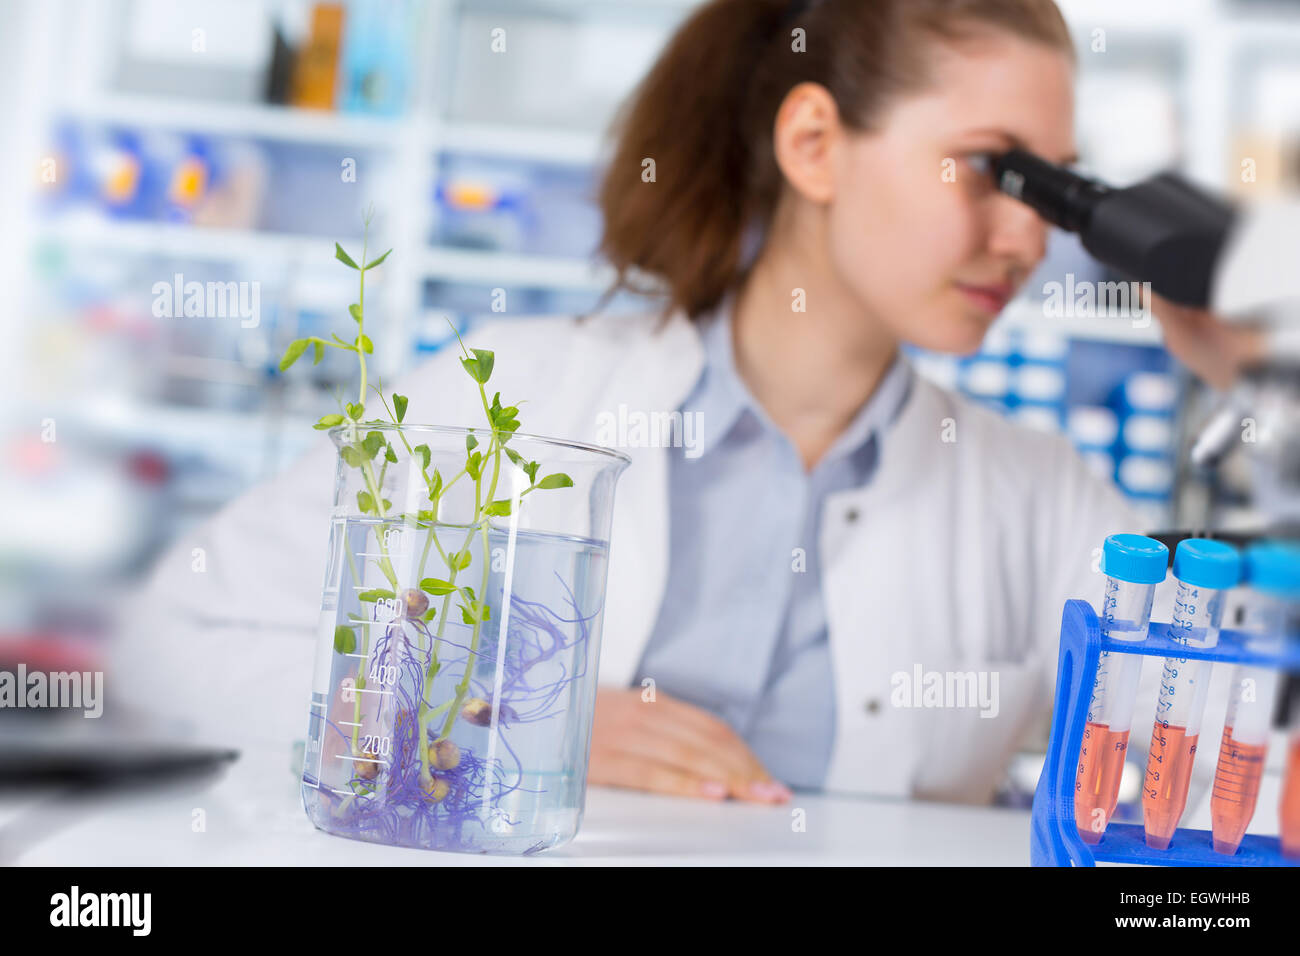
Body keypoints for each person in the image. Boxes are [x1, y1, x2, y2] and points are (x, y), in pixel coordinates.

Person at [116, 0, 1255, 810]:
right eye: (991, 170)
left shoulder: (1040, 495)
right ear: (813, 142)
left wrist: (1258, 380)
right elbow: (169, 642)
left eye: (1055, 185)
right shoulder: (508, 392)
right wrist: (475, 716)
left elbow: (1244, 755)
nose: (1027, 232)